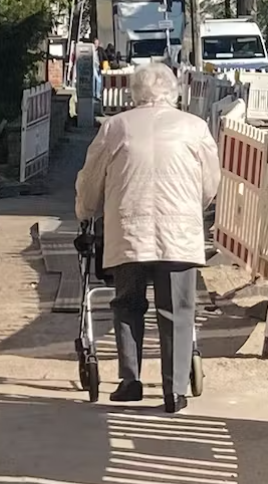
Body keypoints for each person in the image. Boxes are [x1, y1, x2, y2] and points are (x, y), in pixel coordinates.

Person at [75, 63, 221, 413]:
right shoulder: (195, 128)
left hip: (128, 231)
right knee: (178, 310)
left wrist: (85, 212)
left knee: (127, 303)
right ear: (174, 93)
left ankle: (130, 381)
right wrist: (193, 207)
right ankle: (174, 390)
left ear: (133, 93)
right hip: (179, 235)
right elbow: (210, 184)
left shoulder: (115, 127)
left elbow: (92, 180)